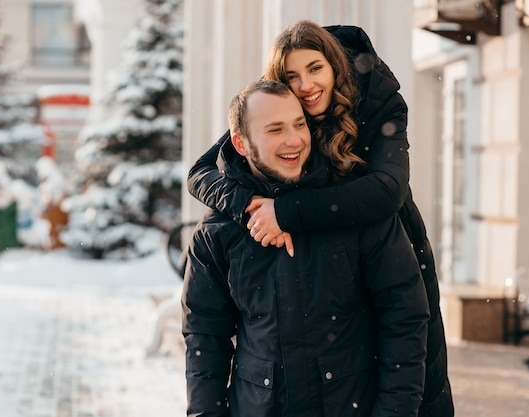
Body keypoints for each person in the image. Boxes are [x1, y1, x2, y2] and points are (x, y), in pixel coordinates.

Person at [187, 20, 454, 417]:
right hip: (272, 390)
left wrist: (286, 213)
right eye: (292, 76)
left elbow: (388, 190)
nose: (306, 85)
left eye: (315, 68)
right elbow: (202, 171)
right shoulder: (275, 109)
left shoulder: (378, 100)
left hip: (379, 220)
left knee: (423, 372)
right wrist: (247, 206)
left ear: (335, 66)